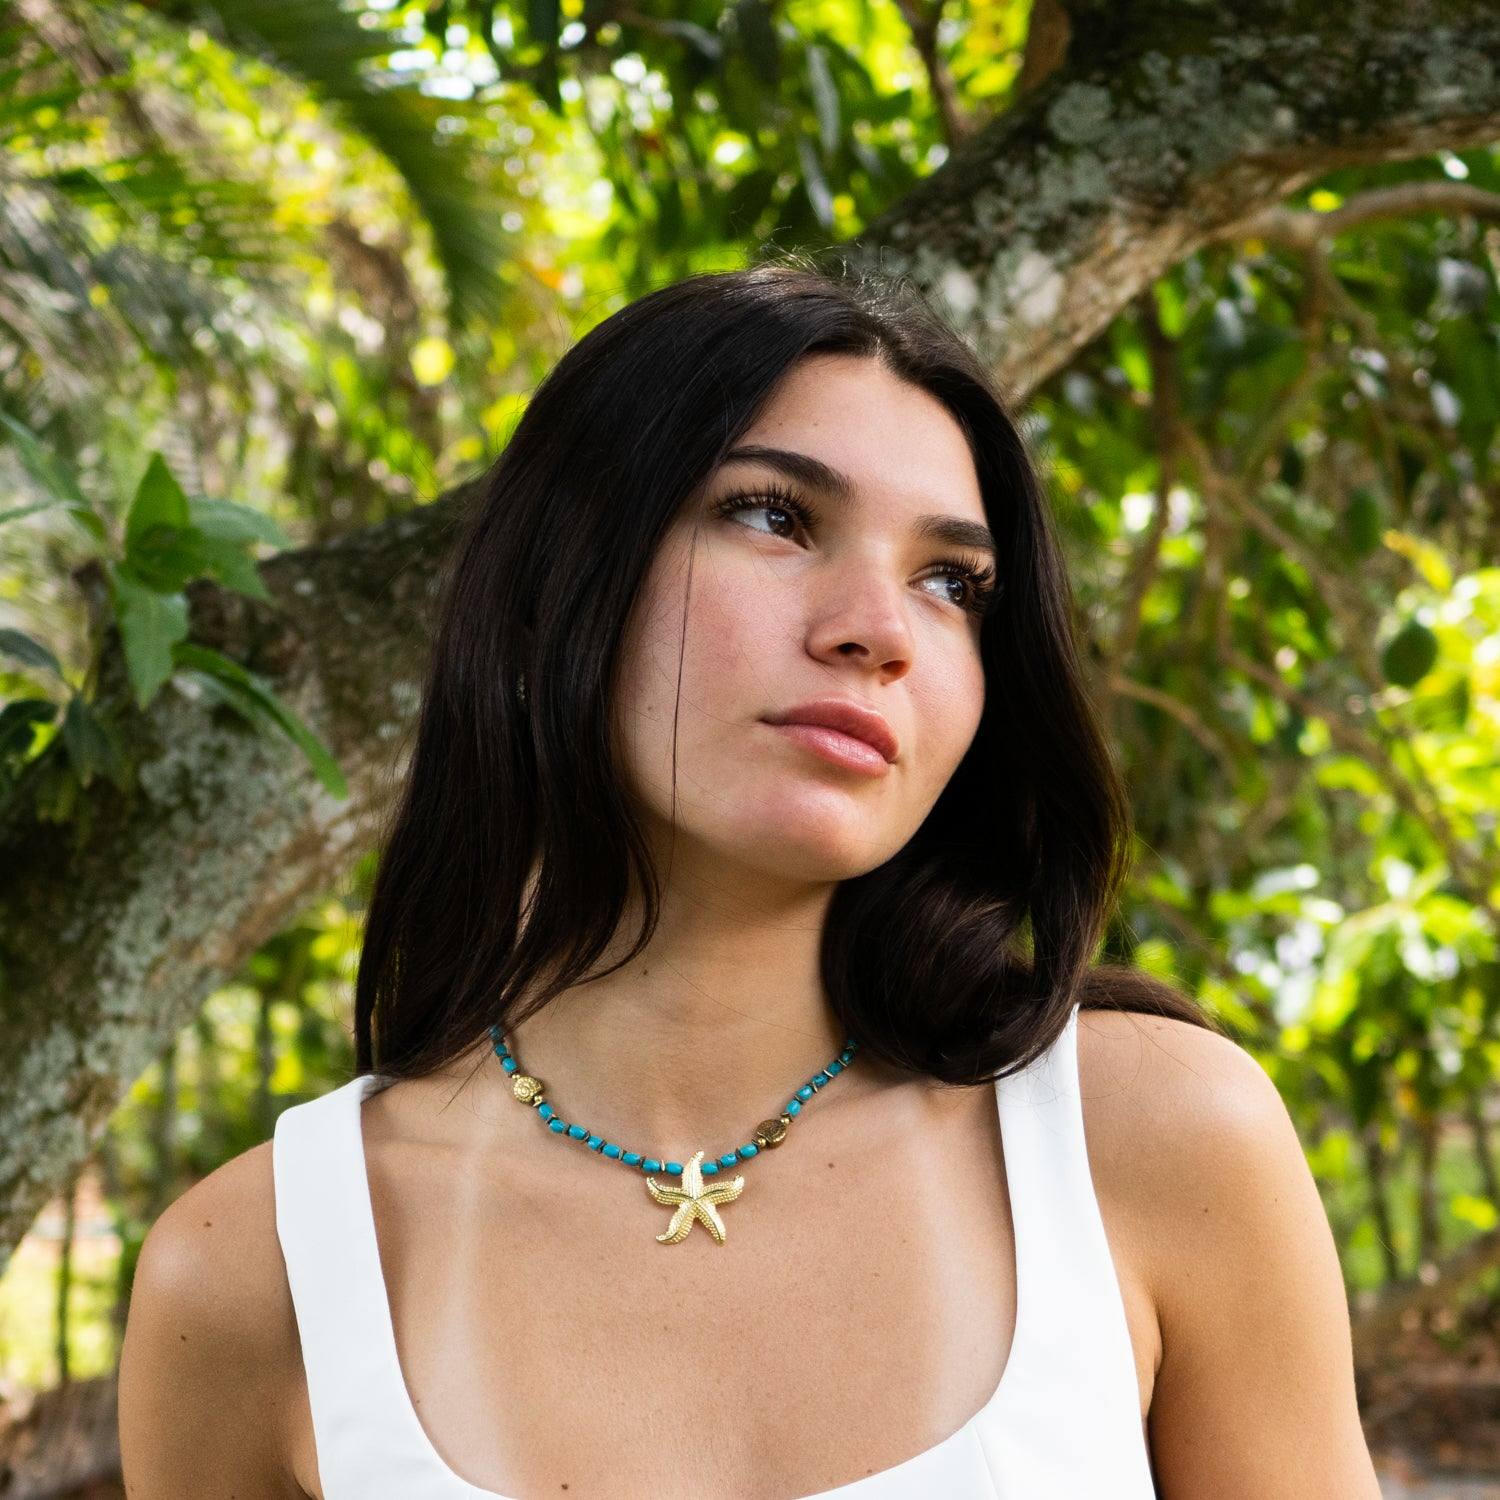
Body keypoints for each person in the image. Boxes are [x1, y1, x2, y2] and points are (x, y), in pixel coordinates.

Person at [117, 258, 1380, 1497]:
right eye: (774, 515)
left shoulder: (1150, 1139)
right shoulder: (255, 1276)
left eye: (952, 583)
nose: (879, 631)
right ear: (555, 577)